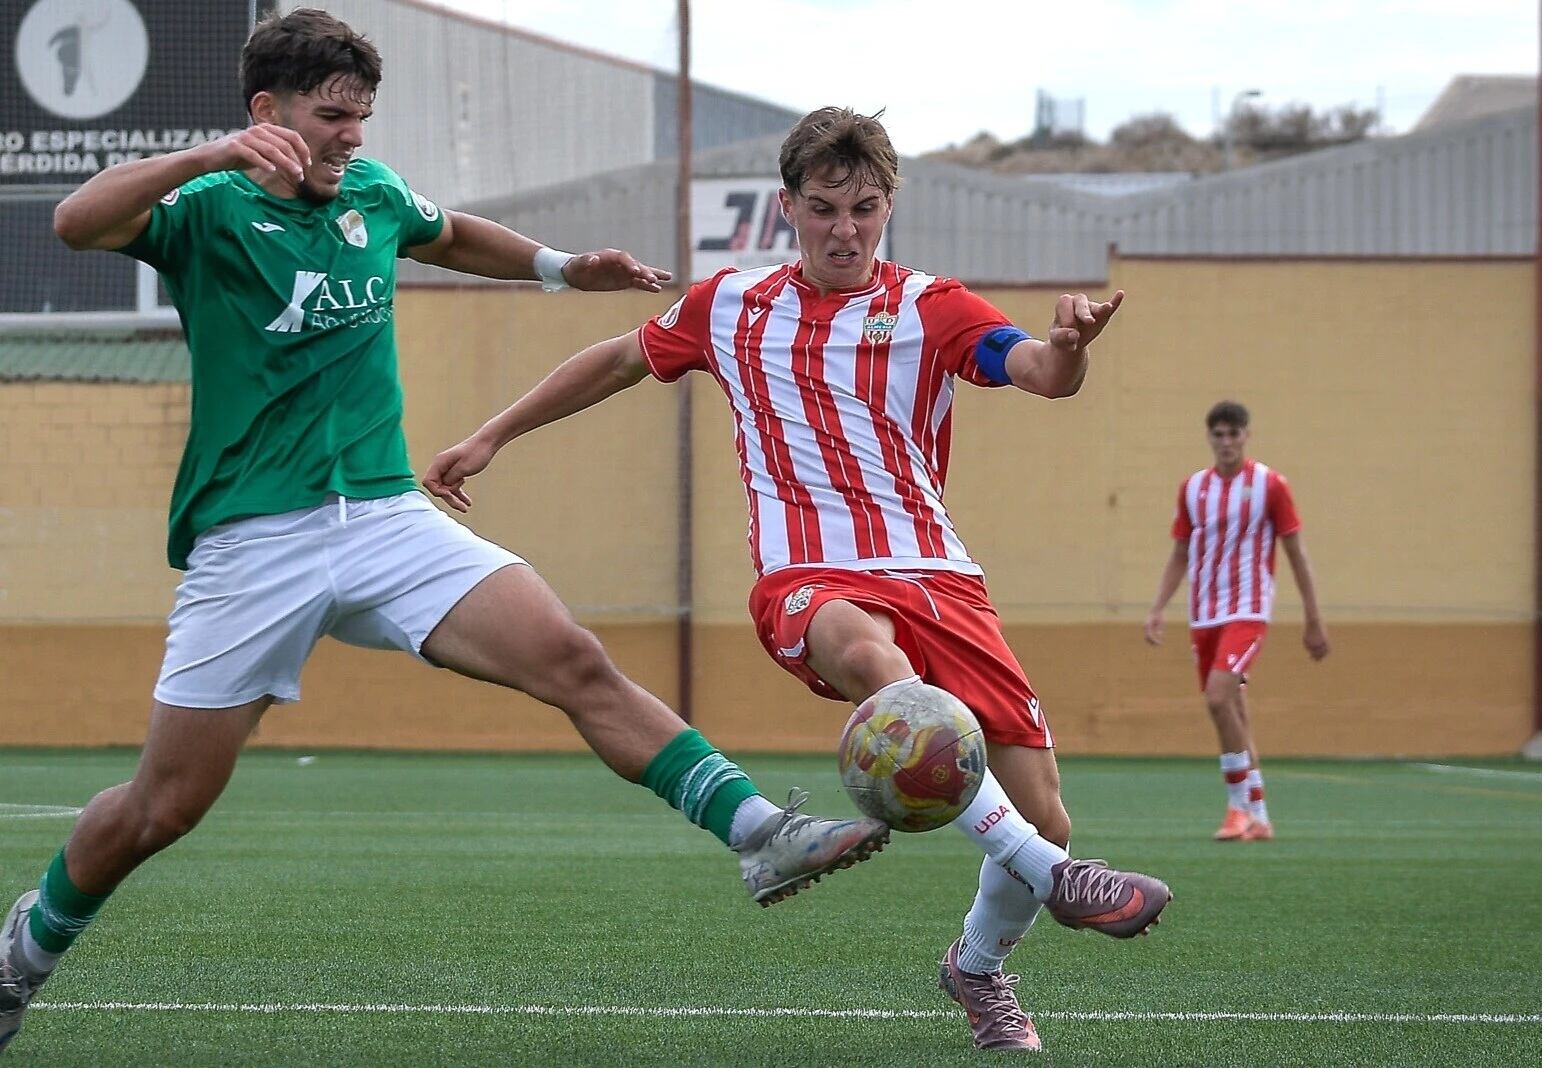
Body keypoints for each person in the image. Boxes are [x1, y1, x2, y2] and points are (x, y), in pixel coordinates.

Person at [0, 13, 889, 1054]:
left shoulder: (371, 194)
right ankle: (25, 952)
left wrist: (563, 268)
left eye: (361, 118)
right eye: (331, 117)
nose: (352, 137)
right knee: (163, 807)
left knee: (571, 657)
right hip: (253, 540)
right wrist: (210, 156)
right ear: (266, 112)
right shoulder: (207, 209)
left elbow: (452, 234)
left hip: (386, 517)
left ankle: (759, 834)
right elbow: (75, 221)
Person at [423, 106, 1172, 1055]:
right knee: (869, 656)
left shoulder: (931, 307)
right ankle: (1058, 877)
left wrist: (1068, 347)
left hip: (941, 579)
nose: (845, 231)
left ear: (889, 204)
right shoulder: (730, 306)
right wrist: (491, 435)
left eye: (864, 209)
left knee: (1046, 813)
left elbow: (1037, 371)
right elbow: (617, 359)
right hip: (807, 576)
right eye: (824, 209)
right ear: (788, 207)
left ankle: (978, 966)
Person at [1144, 400, 1330, 841]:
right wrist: (1157, 608)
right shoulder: (1193, 488)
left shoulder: (1269, 485)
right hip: (1204, 613)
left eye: (1234, 433)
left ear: (1246, 436)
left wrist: (1313, 618)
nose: (1226, 442)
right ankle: (1260, 815)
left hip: (1248, 609)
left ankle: (1236, 807)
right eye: (1219, 434)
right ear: (1210, 438)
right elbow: (1180, 552)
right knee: (1234, 708)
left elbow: (1296, 553)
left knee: (1217, 697)